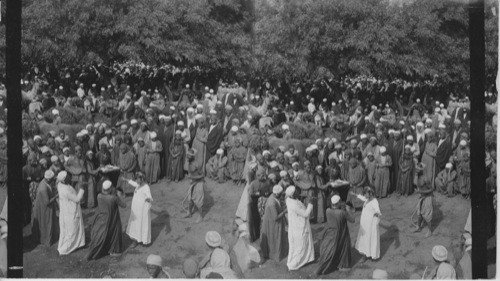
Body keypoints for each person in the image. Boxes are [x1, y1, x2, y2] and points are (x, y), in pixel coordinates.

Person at [86, 180, 127, 260]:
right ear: (110, 188)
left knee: (103, 233)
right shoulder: (113, 198)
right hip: (113, 218)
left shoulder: (99, 196)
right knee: (114, 233)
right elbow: (124, 205)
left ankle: (102, 249)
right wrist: (120, 195)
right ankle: (114, 251)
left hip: (102, 218)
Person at [314, 195, 355, 276]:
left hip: (331, 233)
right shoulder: (342, 213)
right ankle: (341, 265)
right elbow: (353, 220)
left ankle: (324, 266)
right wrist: (348, 210)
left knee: (330, 250)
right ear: (339, 202)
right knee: (342, 248)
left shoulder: (327, 210)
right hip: (341, 233)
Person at [285, 185, 315, 270]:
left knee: (297, 247)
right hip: (298, 227)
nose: (298, 193)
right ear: (292, 195)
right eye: (296, 192)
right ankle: (294, 265)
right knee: (300, 247)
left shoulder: (289, 200)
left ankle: (307, 258)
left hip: (296, 226)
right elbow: (305, 214)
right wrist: (310, 203)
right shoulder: (294, 205)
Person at [57, 171, 86, 255]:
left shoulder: (60, 185)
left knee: (66, 231)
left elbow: (69, 186)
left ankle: (78, 243)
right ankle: (64, 249)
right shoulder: (65, 190)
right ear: (64, 179)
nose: (70, 178)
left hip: (66, 210)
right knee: (72, 231)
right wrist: (82, 188)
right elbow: (77, 199)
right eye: (68, 177)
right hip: (70, 212)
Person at [260, 185, 288, 263]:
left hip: (272, 220)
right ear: (276, 194)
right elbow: (275, 217)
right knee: (274, 238)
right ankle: (274, 255)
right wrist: (285, 211)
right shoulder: (271, 202)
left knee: (273, 238)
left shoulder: (274, 197)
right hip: (272, 223)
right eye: (280, 194)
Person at [31, 170, 59, 247]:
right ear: (49, 179)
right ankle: (45, 240)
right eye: (53, 178)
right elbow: (47, 202)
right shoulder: (43, 188)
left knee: (46, 223)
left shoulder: (45, 182)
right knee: (46, 223)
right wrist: (56, 196)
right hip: (44, 208)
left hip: (44, 206)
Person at [353, 187, 381, 262]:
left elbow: (378, 211)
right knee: (365, 239)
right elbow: (362, 198)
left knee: (370, 239)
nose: (364, 195)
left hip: (370, 225)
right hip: (365, 224)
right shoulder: (367, 199)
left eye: (365, 194)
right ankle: (365, 254)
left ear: (370, 193)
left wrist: (376, 214)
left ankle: (371, 255)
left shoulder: (375, 201)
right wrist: (355, 194)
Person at [126, 171, 153, 247]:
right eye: (136, 179)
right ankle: (135, 239)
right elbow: (133, 183)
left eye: (138, 179)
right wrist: (126, 180)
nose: (137, 181)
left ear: (142, 179)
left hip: (141, 210)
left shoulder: (146, 187)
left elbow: (149, 196)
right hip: (135, 209)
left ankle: (140, 240)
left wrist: (148, 199)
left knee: (141, 224)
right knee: (135, 224)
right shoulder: (138, 184)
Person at [184, 148, 207, 223]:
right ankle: (189, 213)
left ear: (193, 157)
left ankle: (201, 216)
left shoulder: (197, 164)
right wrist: (191, 178)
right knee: (190, 199)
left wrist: (193, 177)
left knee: (198, 201)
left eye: (188, 156)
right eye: (187, 156)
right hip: (192, 182)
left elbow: (202, 175)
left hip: (199, 183)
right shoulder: (189, 163)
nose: (187, 157)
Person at [413, 163, 434, 237]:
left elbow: (431, 189)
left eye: (418, 170)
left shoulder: (425, 178)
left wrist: (420, 192)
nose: (416, 171)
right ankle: (418, 227)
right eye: (416, 169)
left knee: (427, 215)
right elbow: (416, 184)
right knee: (419, 212)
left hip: (428, 198)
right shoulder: (417, 177)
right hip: (421, 197)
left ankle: (430, 231)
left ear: (421, 171)